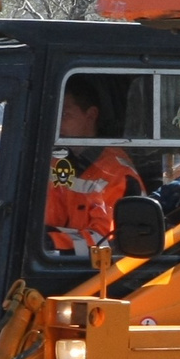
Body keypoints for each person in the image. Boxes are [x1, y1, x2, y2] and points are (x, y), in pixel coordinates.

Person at [45, 82, 146, 260]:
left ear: (90, 116)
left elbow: (105, 242)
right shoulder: (58, 162)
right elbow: (47, 221)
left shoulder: (118, 175)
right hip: (60, 265)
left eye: (65, 115)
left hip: (99, 274)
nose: (57, 125)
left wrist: (48, 242)